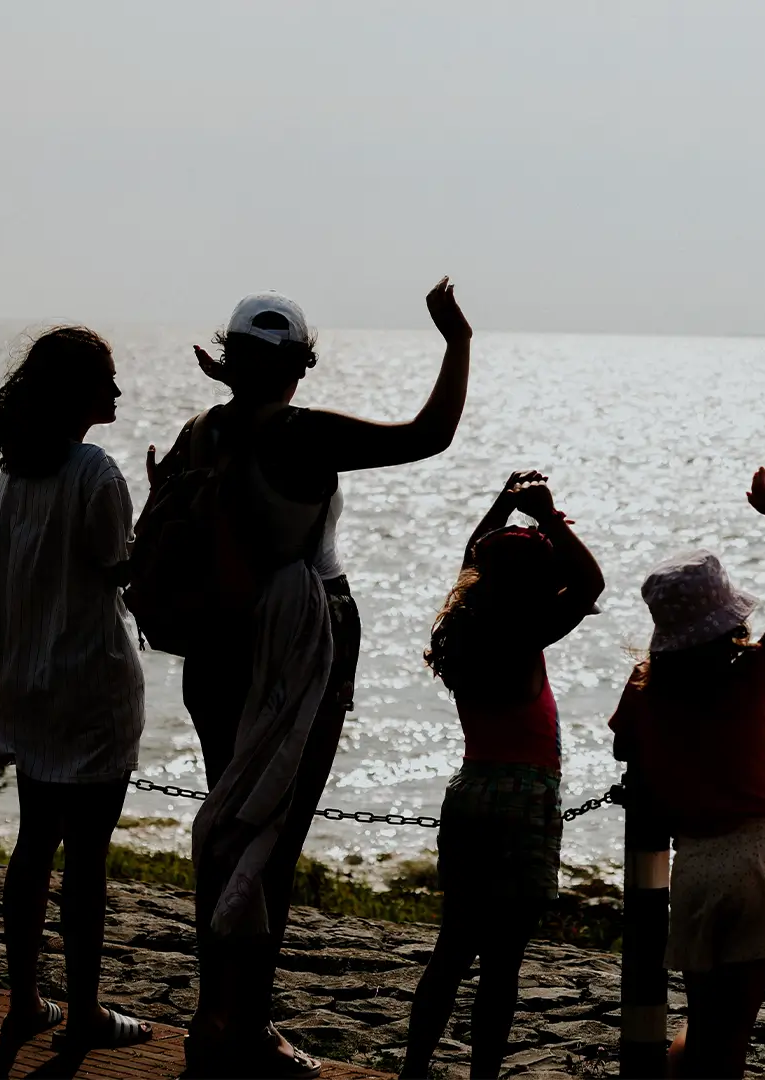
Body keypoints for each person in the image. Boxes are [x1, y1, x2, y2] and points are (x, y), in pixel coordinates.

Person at [167, 281, 474, 1077]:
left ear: (230, 360)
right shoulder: (304, 436)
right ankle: (249, 1028)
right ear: (300, 365)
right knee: (273, 840)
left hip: (215, 650)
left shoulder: (199, 434)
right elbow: (429, 435)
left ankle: (213, 1017)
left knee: (227, 827)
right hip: (302, 646)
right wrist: (457, 343)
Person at [608, 467, 765, 1080]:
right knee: (734, 1035)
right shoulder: (745, 673)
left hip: (696, 863)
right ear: (726, 616)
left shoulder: (645, 689)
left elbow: (625, 750)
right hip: (757, 857)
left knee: (703, 1026)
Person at [399, 471, 605, 1079]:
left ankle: (414, 1070)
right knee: (503, 964)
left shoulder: (464, 629)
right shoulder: (525, 632)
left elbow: (474, 557)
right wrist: (546, 515)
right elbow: (591, 580)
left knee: (452, 948)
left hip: (470, 791)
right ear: (535, 587)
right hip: (523, 798)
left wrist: (501, 504)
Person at [0, 326, 153, 1049]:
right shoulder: (94, 472)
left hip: (30, 683)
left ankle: (25, 998)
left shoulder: (17, 472)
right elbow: (121, 569)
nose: (115, 392)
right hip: (89, 687)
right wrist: (166, 504)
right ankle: (83, 1013)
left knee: (32, 846)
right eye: (105, 380)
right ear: (77, 393)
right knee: (87, 859)